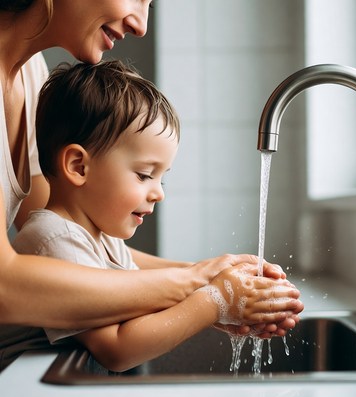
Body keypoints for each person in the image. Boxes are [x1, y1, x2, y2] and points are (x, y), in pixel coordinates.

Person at [0, 0, 302, 370]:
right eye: (145, 175)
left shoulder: (29, 72)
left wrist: (219, 281)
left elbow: (112, 281)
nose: (141, 24)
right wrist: (212, 296)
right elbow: (116, 347)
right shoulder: (53, 237)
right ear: (78, 164)